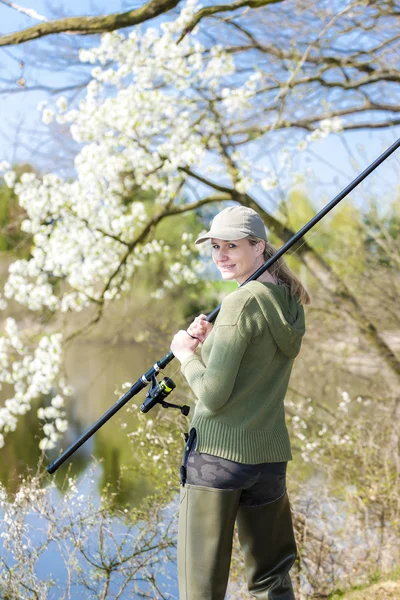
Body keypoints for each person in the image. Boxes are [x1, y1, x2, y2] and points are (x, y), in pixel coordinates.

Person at [170, 205, 310, 600]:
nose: (221, 256)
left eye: (231, 245)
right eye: (215, 247)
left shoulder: (239, 303)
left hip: (217, 459)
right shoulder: (289, 301)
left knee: (201, 589)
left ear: (259, 246)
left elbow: (213, 395)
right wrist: (213, 338)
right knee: (271, 581)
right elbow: (254, 362)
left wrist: (185, 354)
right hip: (267, 462)